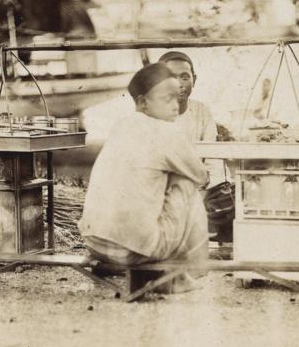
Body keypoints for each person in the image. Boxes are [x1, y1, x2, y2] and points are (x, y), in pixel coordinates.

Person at [78, 63, 209, 288]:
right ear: (142, 103)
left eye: (177, 98)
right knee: (186, 180)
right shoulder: (169, 131)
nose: (175, 106)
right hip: (134, 252)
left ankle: (172, 272)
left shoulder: (121, 125)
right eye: (167, 99)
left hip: (94, 243)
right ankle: (183, 275)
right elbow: (201, 176)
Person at [158, 51, 226, 185]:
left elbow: (214, 162)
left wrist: (206, 191)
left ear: (194, 80)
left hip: (198, 189)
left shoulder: (202, 112)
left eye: (184, 77)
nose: (178, 84)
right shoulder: (151, 114)